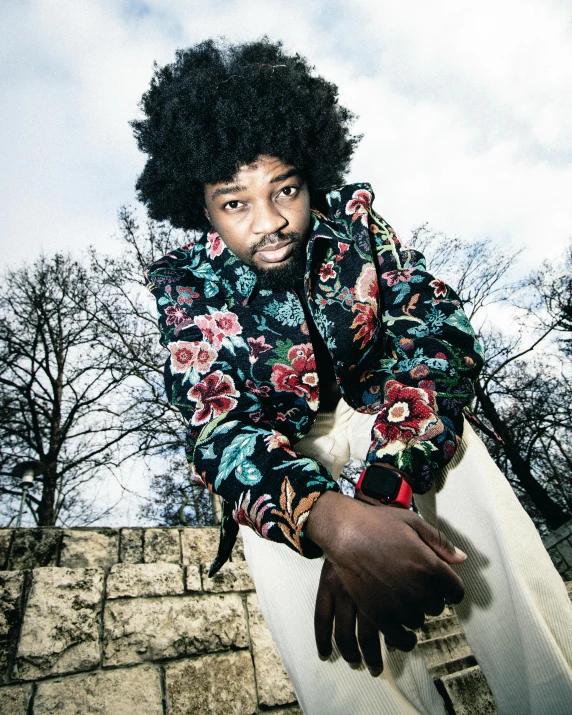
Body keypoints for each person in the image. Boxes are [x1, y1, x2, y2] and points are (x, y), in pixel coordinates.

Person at [135, 38, 572, 714]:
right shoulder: (185, 289)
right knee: (297, 588)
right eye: (236, 203)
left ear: (310, 173)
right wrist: (326, 521)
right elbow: (219, 432)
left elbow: (435, 330)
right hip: (283, 453)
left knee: (463, 465)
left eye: (284, 189)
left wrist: (382, 490)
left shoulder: (358, 224)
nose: (271, 221)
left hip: (386, 414)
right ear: (201, 207)